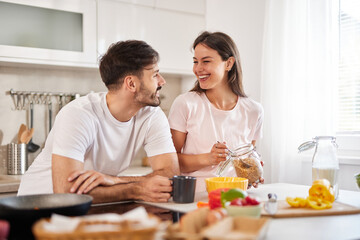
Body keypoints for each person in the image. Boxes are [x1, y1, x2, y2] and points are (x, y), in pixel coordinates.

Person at [18, 40, 180, 203]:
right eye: (154, 75)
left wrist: (116, 180)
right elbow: (66, 191)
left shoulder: (151, 115)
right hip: (37, 207)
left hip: (85, 208)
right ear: (131, 84)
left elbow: (171, 173)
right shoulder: (79, 114)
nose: (162, 81)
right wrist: (135, 189)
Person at [168, 31, 264, 192]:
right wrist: (208, 158)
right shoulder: (185, 103)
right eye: (195, 61)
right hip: (196, 198)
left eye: (206, 61)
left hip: (238, 197)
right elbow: (168, 162)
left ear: (229, 63)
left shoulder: (254, 110)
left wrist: (252, 170)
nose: (198, 69)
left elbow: (248, 156)